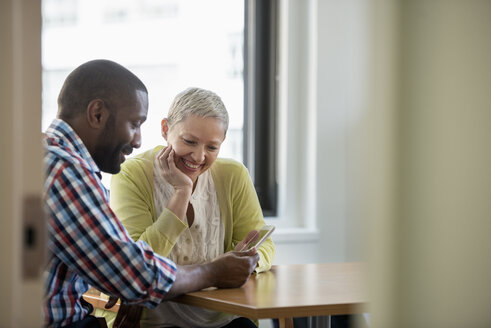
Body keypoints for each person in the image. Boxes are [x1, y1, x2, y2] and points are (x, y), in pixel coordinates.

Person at [43, 60, 260, 328]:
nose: (137, 140)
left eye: (212, 147)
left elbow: (118, 270)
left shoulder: (50, 157)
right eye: (134, 124)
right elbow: (132, 276)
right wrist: (213, 272)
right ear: (97, 114)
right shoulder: (66, 171)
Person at [98, 87, 275, 328]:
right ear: (165, 129)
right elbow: (137, 261)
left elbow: (265, 246)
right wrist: (182, 193)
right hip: (157, 322)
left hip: (223, 319)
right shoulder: (132, 174)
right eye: (189, 141)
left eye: (212, 147)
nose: (199, 156)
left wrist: (248, 261)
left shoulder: (233, 175)